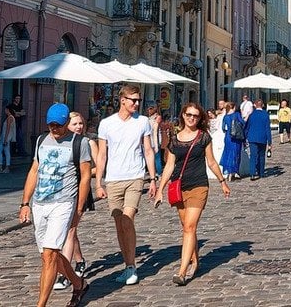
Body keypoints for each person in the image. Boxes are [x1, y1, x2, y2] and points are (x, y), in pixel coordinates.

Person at [19, 103, 90, 307]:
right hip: (40, 203)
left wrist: (79, 208)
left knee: (50, 255)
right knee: (48, 256)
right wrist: (25, 203)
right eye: (51, 125)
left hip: (63, 203)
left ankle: (40, 304)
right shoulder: (42, 140)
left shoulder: (80, 143)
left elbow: (85, 178)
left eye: (58, 125)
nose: (54, 129)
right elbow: (34, 170)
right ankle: (79, 284)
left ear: (66, 122)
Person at [153, 102, 231, 285]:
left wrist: (222, 182)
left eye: (195, 116)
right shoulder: (175, 139)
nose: (192, 118)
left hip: (198, 186)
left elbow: (211, 162)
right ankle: (195, 260)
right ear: (183, 115)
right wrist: (160, 189)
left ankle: (182, 270)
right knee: (186, 227)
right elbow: (169, 166)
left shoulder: (203, 137)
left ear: (199, 118)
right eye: (189, 115)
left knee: (189, 226)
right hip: (179, 187)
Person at [94, 85, 158, 286]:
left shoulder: (143, 123)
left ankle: (131, 267)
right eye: (133, 100)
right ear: (122, 100)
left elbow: (148, 151)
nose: (137, 103)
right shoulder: (106, 124)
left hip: (135, 177)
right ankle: (128, 263)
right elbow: (102, 154)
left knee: (128, 218)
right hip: (113, 179)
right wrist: (98, 183)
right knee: (119, 223)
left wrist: (153, 179)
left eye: (138, 100)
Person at [56, 112, 99, 290]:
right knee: (68, 230)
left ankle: (64, 275)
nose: (79, 127)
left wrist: (84, 173)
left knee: (70, 230)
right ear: (67, 125)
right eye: (75, 124)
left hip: (79, 190)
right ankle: (79, 260)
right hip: (61, 190)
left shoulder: (89, 143)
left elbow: (99, 168)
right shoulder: (61, 143)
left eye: (81, 123)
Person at [245, 99, 272, 180]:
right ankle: (261, 172)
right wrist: (269, 141)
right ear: (262, 105)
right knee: (261, 155)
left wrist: (245, 137)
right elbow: (268, 128)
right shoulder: (265, 115)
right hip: (262, 137)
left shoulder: (251, 115)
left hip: (252, 138)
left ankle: (252, 173)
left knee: (253, 156)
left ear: (255, 105)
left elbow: (247, 127)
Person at [220, 103, 246, 180]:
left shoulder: (225, 116)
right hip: (236, 137)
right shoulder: (237, 114)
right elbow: (243, 123)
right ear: (233, 107)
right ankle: (234, 172)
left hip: (228, 137)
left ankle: (228, 172)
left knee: (228, 153)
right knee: (236, 154)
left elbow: (223, 128)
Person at [0, 104, 16, 173]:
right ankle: (1, 166)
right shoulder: (11, 117)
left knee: (5, 151)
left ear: (8, 110)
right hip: (5, 137)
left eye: (5, 109)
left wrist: (5, 139)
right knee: (1, 151)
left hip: (6, 137)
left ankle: (5, 167)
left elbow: (8, 129)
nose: (5, 111)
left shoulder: (10, 118)